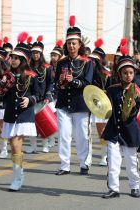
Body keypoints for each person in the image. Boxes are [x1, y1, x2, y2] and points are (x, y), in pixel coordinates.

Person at [0, 32, 39, 191]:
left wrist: (30, 100)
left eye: (15, 57)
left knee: (15, 145)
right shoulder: (7, 75)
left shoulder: (31, 76)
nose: (12, 60)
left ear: (23, 60)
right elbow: (1, 98)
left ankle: (16, 178)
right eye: (11, 57)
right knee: (14, 146)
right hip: (9, 114)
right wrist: (2, 86)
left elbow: (38, 94)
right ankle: (19, 175)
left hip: (23, 115)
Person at [101, 46, 140, 199]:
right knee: (113, 162)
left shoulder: (136, 91)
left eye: (131, 73)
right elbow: (105, 106)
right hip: (113, 130)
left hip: (129, 132)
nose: (128, 75)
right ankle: (113, 188)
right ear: (119, 74)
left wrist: (132, 108)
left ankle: (134, 186)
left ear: (134, 74)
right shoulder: (112, 89)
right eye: (125, 73)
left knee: (132, 163)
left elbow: (133, 114)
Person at [54, 16, 93, 176]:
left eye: (74, 43)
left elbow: (88, 83)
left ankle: (84, 163)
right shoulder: (61, 62)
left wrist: (74, 81)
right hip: (63, 103)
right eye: (69, 43)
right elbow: (56, 83)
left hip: (80, 104)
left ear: (79, 45)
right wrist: (61, 81)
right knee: (63, 135)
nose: (71, 46)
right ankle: (64, 165)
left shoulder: (87, 62)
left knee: (82, 136)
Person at [26, 35, 54, 153]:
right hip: (31, 99)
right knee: (31, 124)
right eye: (33, 52)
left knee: (43, 122)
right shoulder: (28, 67)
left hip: (43, 99)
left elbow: (50, 83)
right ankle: (33, 146)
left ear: (41, 53)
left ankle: (45, 145)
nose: (35, 55)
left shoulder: (47, 67)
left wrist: (48, 95)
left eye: (37, 53)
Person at [88, 38, 111, 166]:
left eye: (93, 60)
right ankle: (88, 157)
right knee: (87, 132)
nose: (90, 62)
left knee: (101, 132)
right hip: (88, 104)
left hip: (102, 105)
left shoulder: (107, 74)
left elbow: (111, 91)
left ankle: (104, 155)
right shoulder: (87, 72)